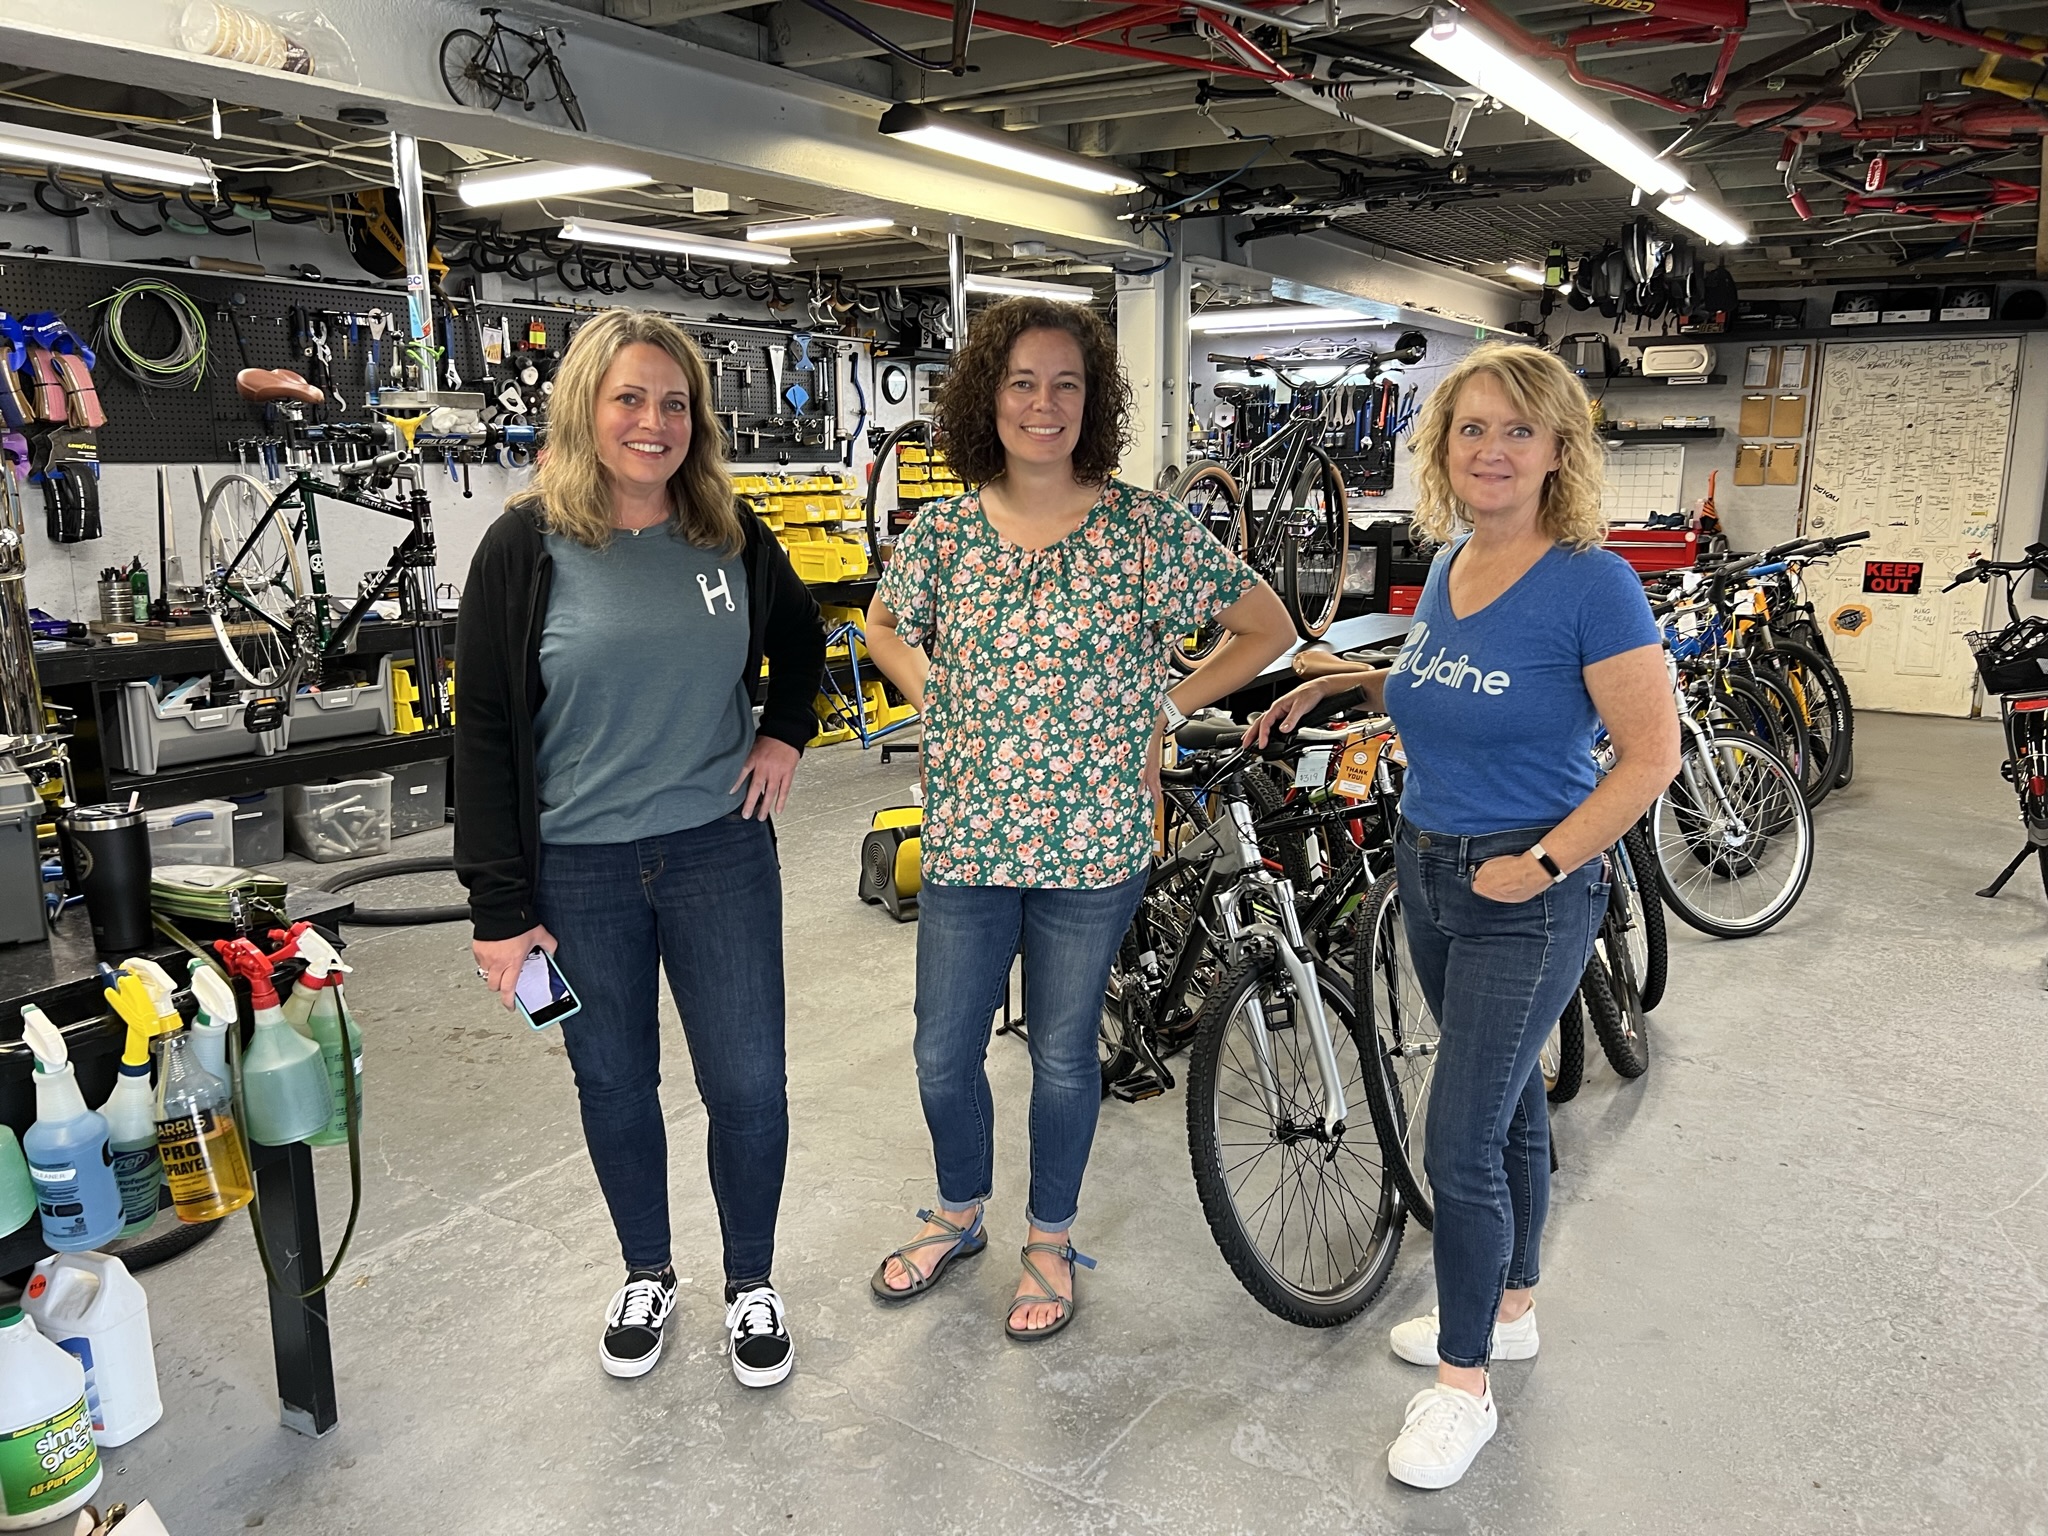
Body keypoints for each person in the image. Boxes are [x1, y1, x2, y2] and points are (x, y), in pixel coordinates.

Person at [1255, 342, 1679, 1488]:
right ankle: (1510, 1309)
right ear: (1443, 445)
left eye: (1516, 432)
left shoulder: (1591, 581)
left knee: (1457, 1134)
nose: (1489, 450)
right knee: (1506, 1117)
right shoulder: (1451, 564)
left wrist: (1542, 862)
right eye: (1469, 429)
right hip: (1430, 870)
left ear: (1556, 452)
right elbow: (1454, 685)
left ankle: (1461, 1385)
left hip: (1525, 893)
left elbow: (1649, 757)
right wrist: (1355, 684)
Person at [864, 297, 1295, 1340]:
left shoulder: (1142, 529)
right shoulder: (947, 532)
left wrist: (1164, 705)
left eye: (1064, 384)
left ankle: (1047, 1239)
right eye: (1021, 382)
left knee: (1064, 1055)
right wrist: (935, 695)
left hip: (1092, 842)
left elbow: (1266, 628)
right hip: (966, 838)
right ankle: (959, 1211)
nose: (1042, 403)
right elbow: (881, 626)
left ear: (1090, 402)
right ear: (988, 397)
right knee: (939, 1050)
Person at [454, 308, 825, 1387]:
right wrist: (497, 911)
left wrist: (784, 732)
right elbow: (481, 732)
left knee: (749, 1086)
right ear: (584, 407)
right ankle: (647, 1269)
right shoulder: (523, 545)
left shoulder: (727, 530)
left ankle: (749, 1281)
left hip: (719, 853)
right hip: (578, 873)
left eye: (672, 402)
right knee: (614, 1084)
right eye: (629, 398)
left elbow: (800, 638)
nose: (653, 422)